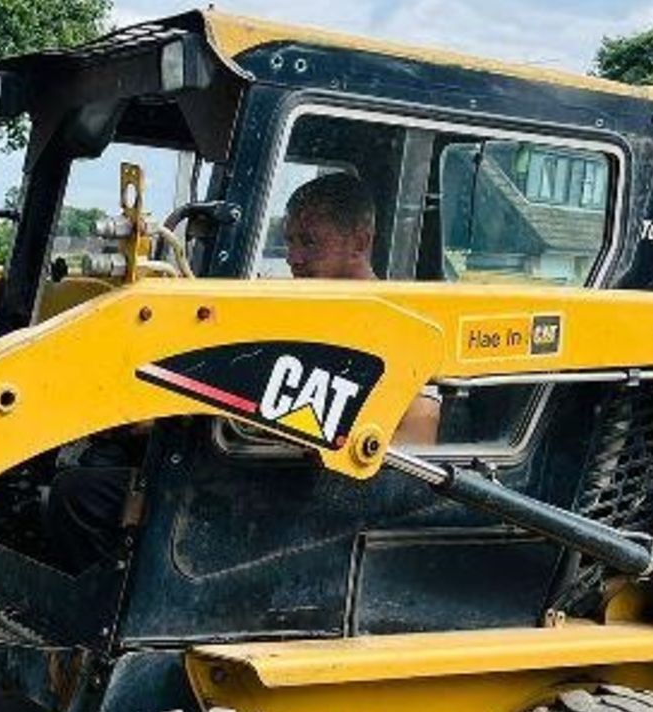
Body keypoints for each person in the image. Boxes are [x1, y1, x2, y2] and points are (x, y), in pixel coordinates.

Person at [42, 170, 430, 571]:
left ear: (360, 243)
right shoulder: (302, 312)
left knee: (81, 495)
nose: (294, 258)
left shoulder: (394, 325)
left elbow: (419, 431)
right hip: (237, 462)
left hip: (289, 490)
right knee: (103, 457)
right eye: (291, 241)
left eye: (310, 242)